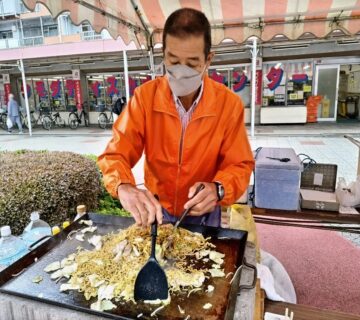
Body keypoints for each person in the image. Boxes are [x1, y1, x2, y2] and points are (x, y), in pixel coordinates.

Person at [98, 8, 254, 228]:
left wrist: (219, 188)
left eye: (191, 63)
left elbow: (239, 164)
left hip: (204, 212)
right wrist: (123, 185)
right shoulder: (145, 98)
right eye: (173, 60)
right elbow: (115, 154)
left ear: (208, 59)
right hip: (157, 209)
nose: (180, 72)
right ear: (164, 56)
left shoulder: (228, 105)